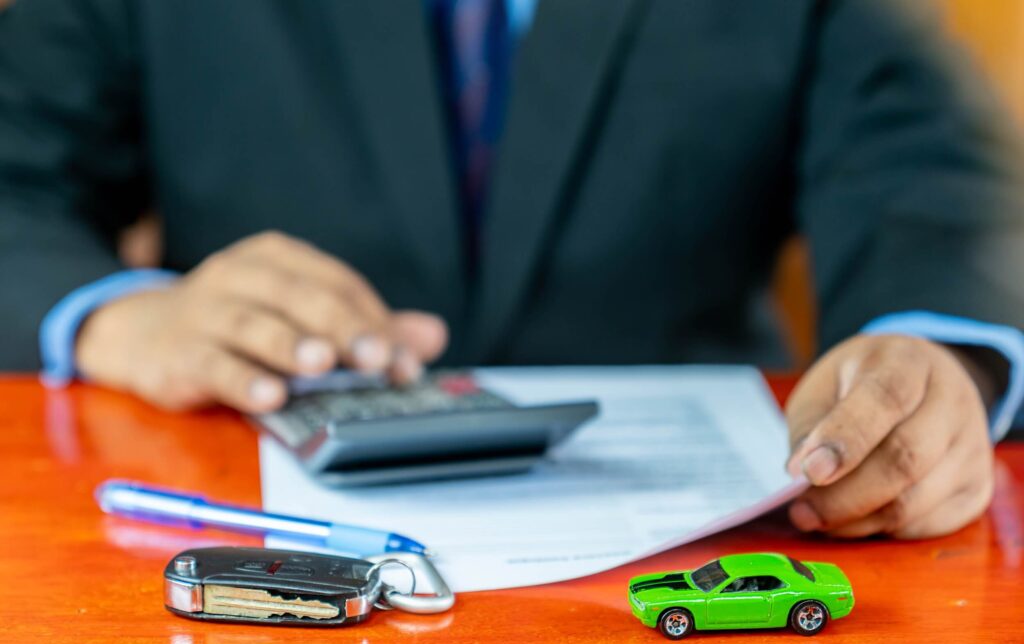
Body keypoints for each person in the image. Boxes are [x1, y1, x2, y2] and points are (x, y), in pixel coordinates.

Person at [1, 0, 1023, 540]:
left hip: (717, 539)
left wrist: (948, 357)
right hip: (239, 516)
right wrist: (113, 318)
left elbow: (935, 175)